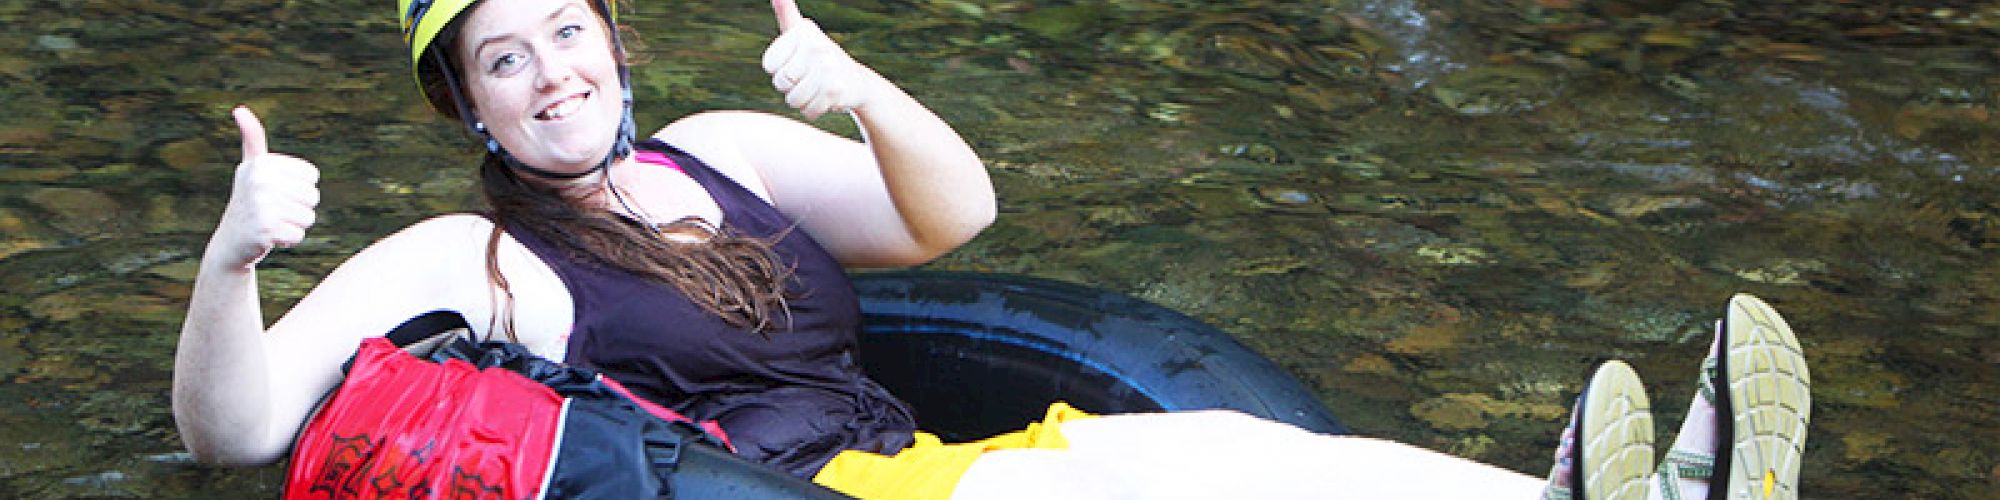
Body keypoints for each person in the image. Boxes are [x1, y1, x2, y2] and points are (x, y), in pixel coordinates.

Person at [169, 0, 1811, 498]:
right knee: (1167, 476)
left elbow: (950, 222)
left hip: (912, 460)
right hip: (805, 499)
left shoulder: (717, 156)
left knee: (1231, 444)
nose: (551, 73)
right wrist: (236, 257)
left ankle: (1618, 498)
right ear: (464, 101)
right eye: (503, 58)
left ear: (612, 37)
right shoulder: (468, 253)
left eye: (564, 31)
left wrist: (863, 87)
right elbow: (230, 433)